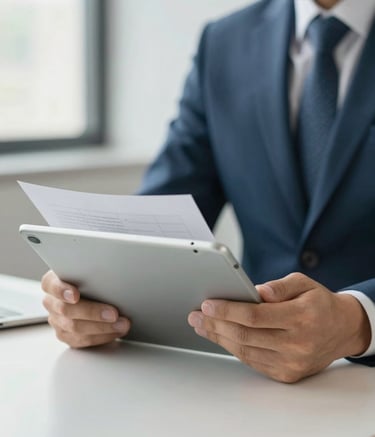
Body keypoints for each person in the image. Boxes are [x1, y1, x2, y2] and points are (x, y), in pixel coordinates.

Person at [41, 0, 375, 383]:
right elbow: (166, 205)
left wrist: (357, 321)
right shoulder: (225, 41)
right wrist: (92, 282)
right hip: (250, 377)